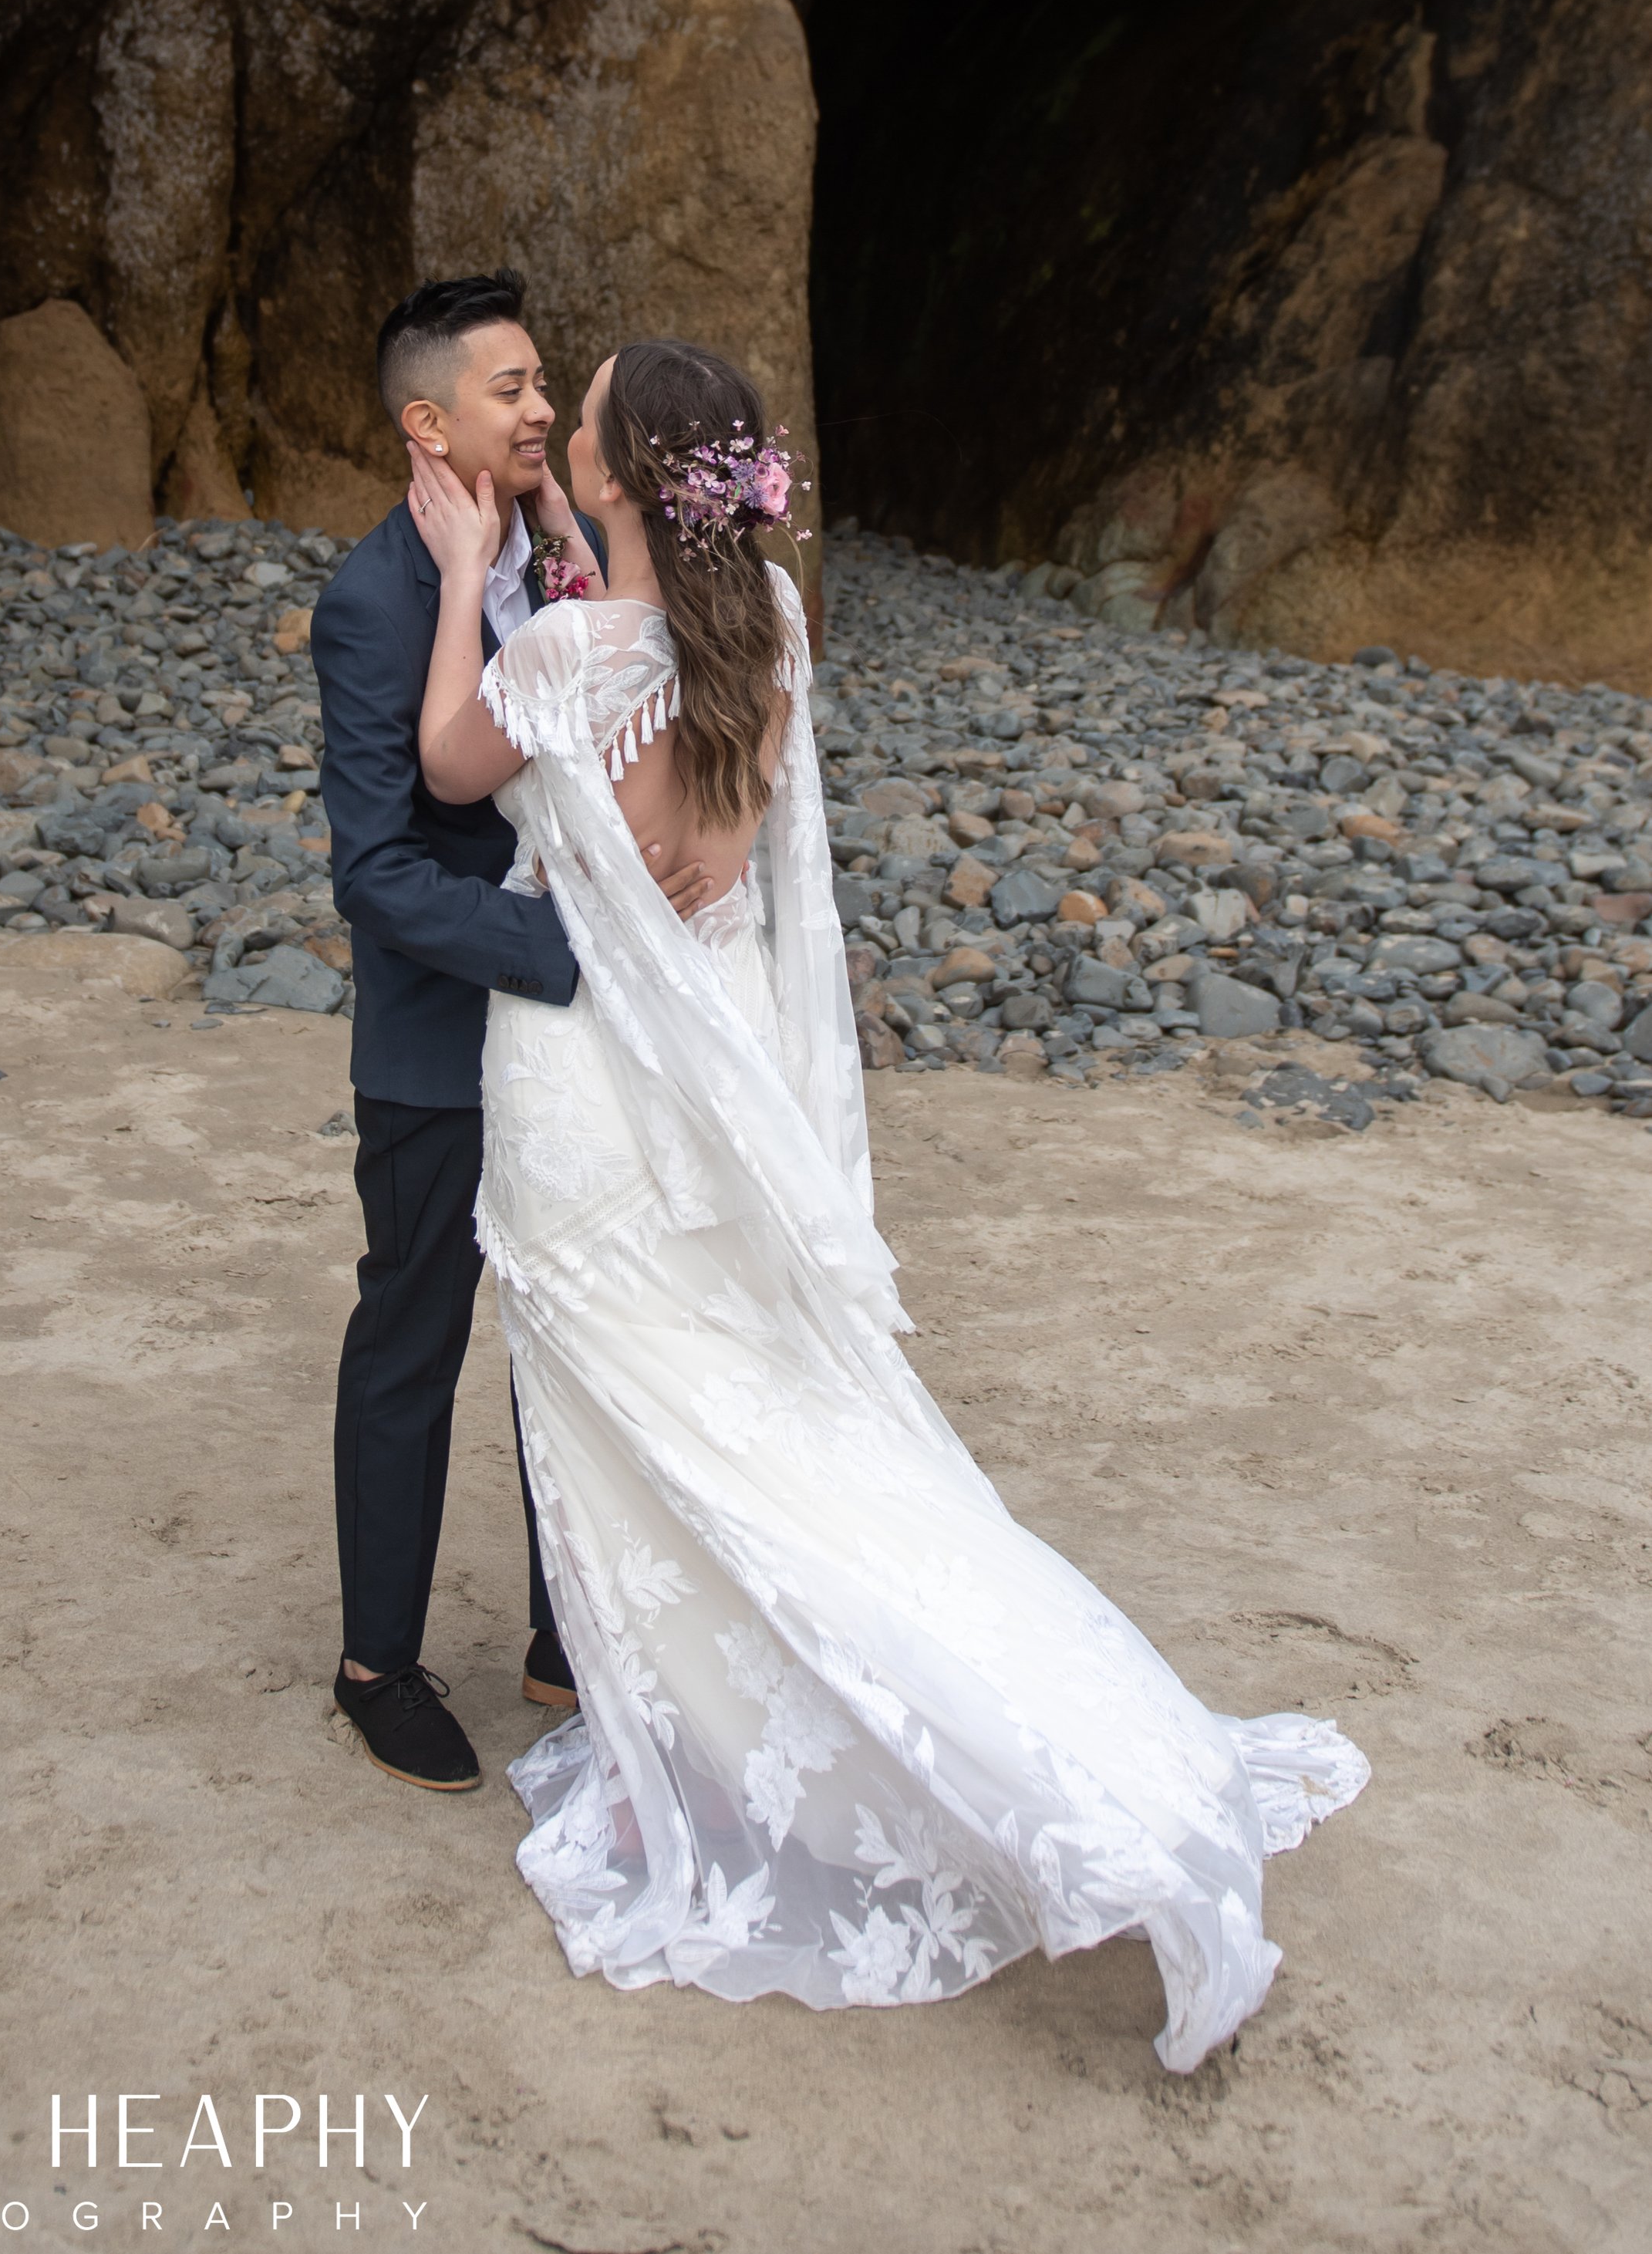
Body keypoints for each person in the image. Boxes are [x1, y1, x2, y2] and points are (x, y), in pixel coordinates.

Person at [401, 333, 1369, 2070]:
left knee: (644, 1431)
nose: (564, 427)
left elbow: (457, 767)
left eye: (584, 416)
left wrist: (473, 569)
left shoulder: (559, 645)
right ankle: (896, 1731)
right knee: (758, 1418)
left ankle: (694, 1767)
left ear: (619, 474)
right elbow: (706, 820)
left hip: (582, 1094)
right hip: (711, 1076)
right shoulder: (758, 626)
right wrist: (559, 535)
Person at [309, 273, 711, 1795]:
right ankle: (376, 1663)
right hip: (438, 1042)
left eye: (547, 384)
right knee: (410, 1344)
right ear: (427, 422)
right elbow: (375, 866)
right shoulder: (369, 602)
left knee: (573, 1333)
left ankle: (562, 1637)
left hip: (577, 1060)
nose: (540, 410)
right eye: (508, 389)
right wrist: (567, 940)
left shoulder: (585, 557)